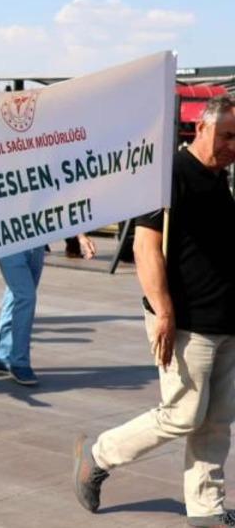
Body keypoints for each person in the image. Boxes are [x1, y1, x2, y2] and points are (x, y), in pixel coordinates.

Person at [75, 95, 235, 526]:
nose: (232, 146)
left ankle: (206, 508)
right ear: (201, 127)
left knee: (216, 422)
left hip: (225, 320)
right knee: (183, 414)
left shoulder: (219, 180)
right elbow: (146, 248)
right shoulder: (169, 175)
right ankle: (99, 455)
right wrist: (163, 312)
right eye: (226, 136)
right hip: (186, 322)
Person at [0, 234, 95, 387]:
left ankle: (0, 355)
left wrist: (80, 236)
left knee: (17, 295)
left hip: (36, 241)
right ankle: (19, 362)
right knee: (26, 296)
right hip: (8, 240)